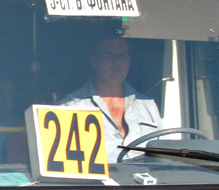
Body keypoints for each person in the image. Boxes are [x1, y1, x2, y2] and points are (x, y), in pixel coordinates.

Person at [59, 34, 162, 163]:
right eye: (109, 55)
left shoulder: (148, 105)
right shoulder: (70, 107)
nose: (117, 61)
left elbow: (164, 156)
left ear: (129, 60)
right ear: (94, 61)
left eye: (122, 55)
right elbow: (65, 163)